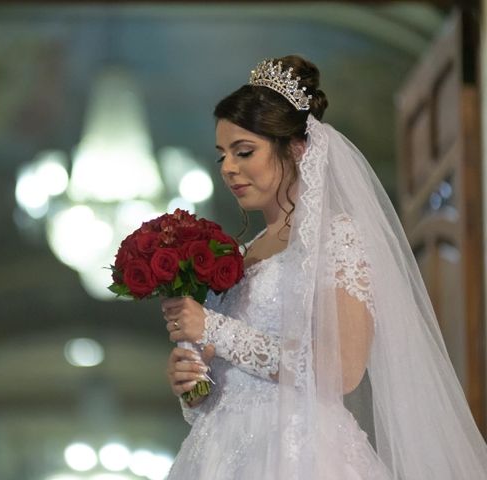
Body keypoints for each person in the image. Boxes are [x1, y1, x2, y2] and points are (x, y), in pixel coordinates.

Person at [159, 55, 487, 479]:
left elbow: (343, 370)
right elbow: (231, 376)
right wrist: (194, 384)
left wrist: (215, 328)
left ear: (296, 148)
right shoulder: (241, 255)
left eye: (244, 151)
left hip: (302, 453)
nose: (228, 168)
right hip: (219, 456)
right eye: (222, 155)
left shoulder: (338, 237)